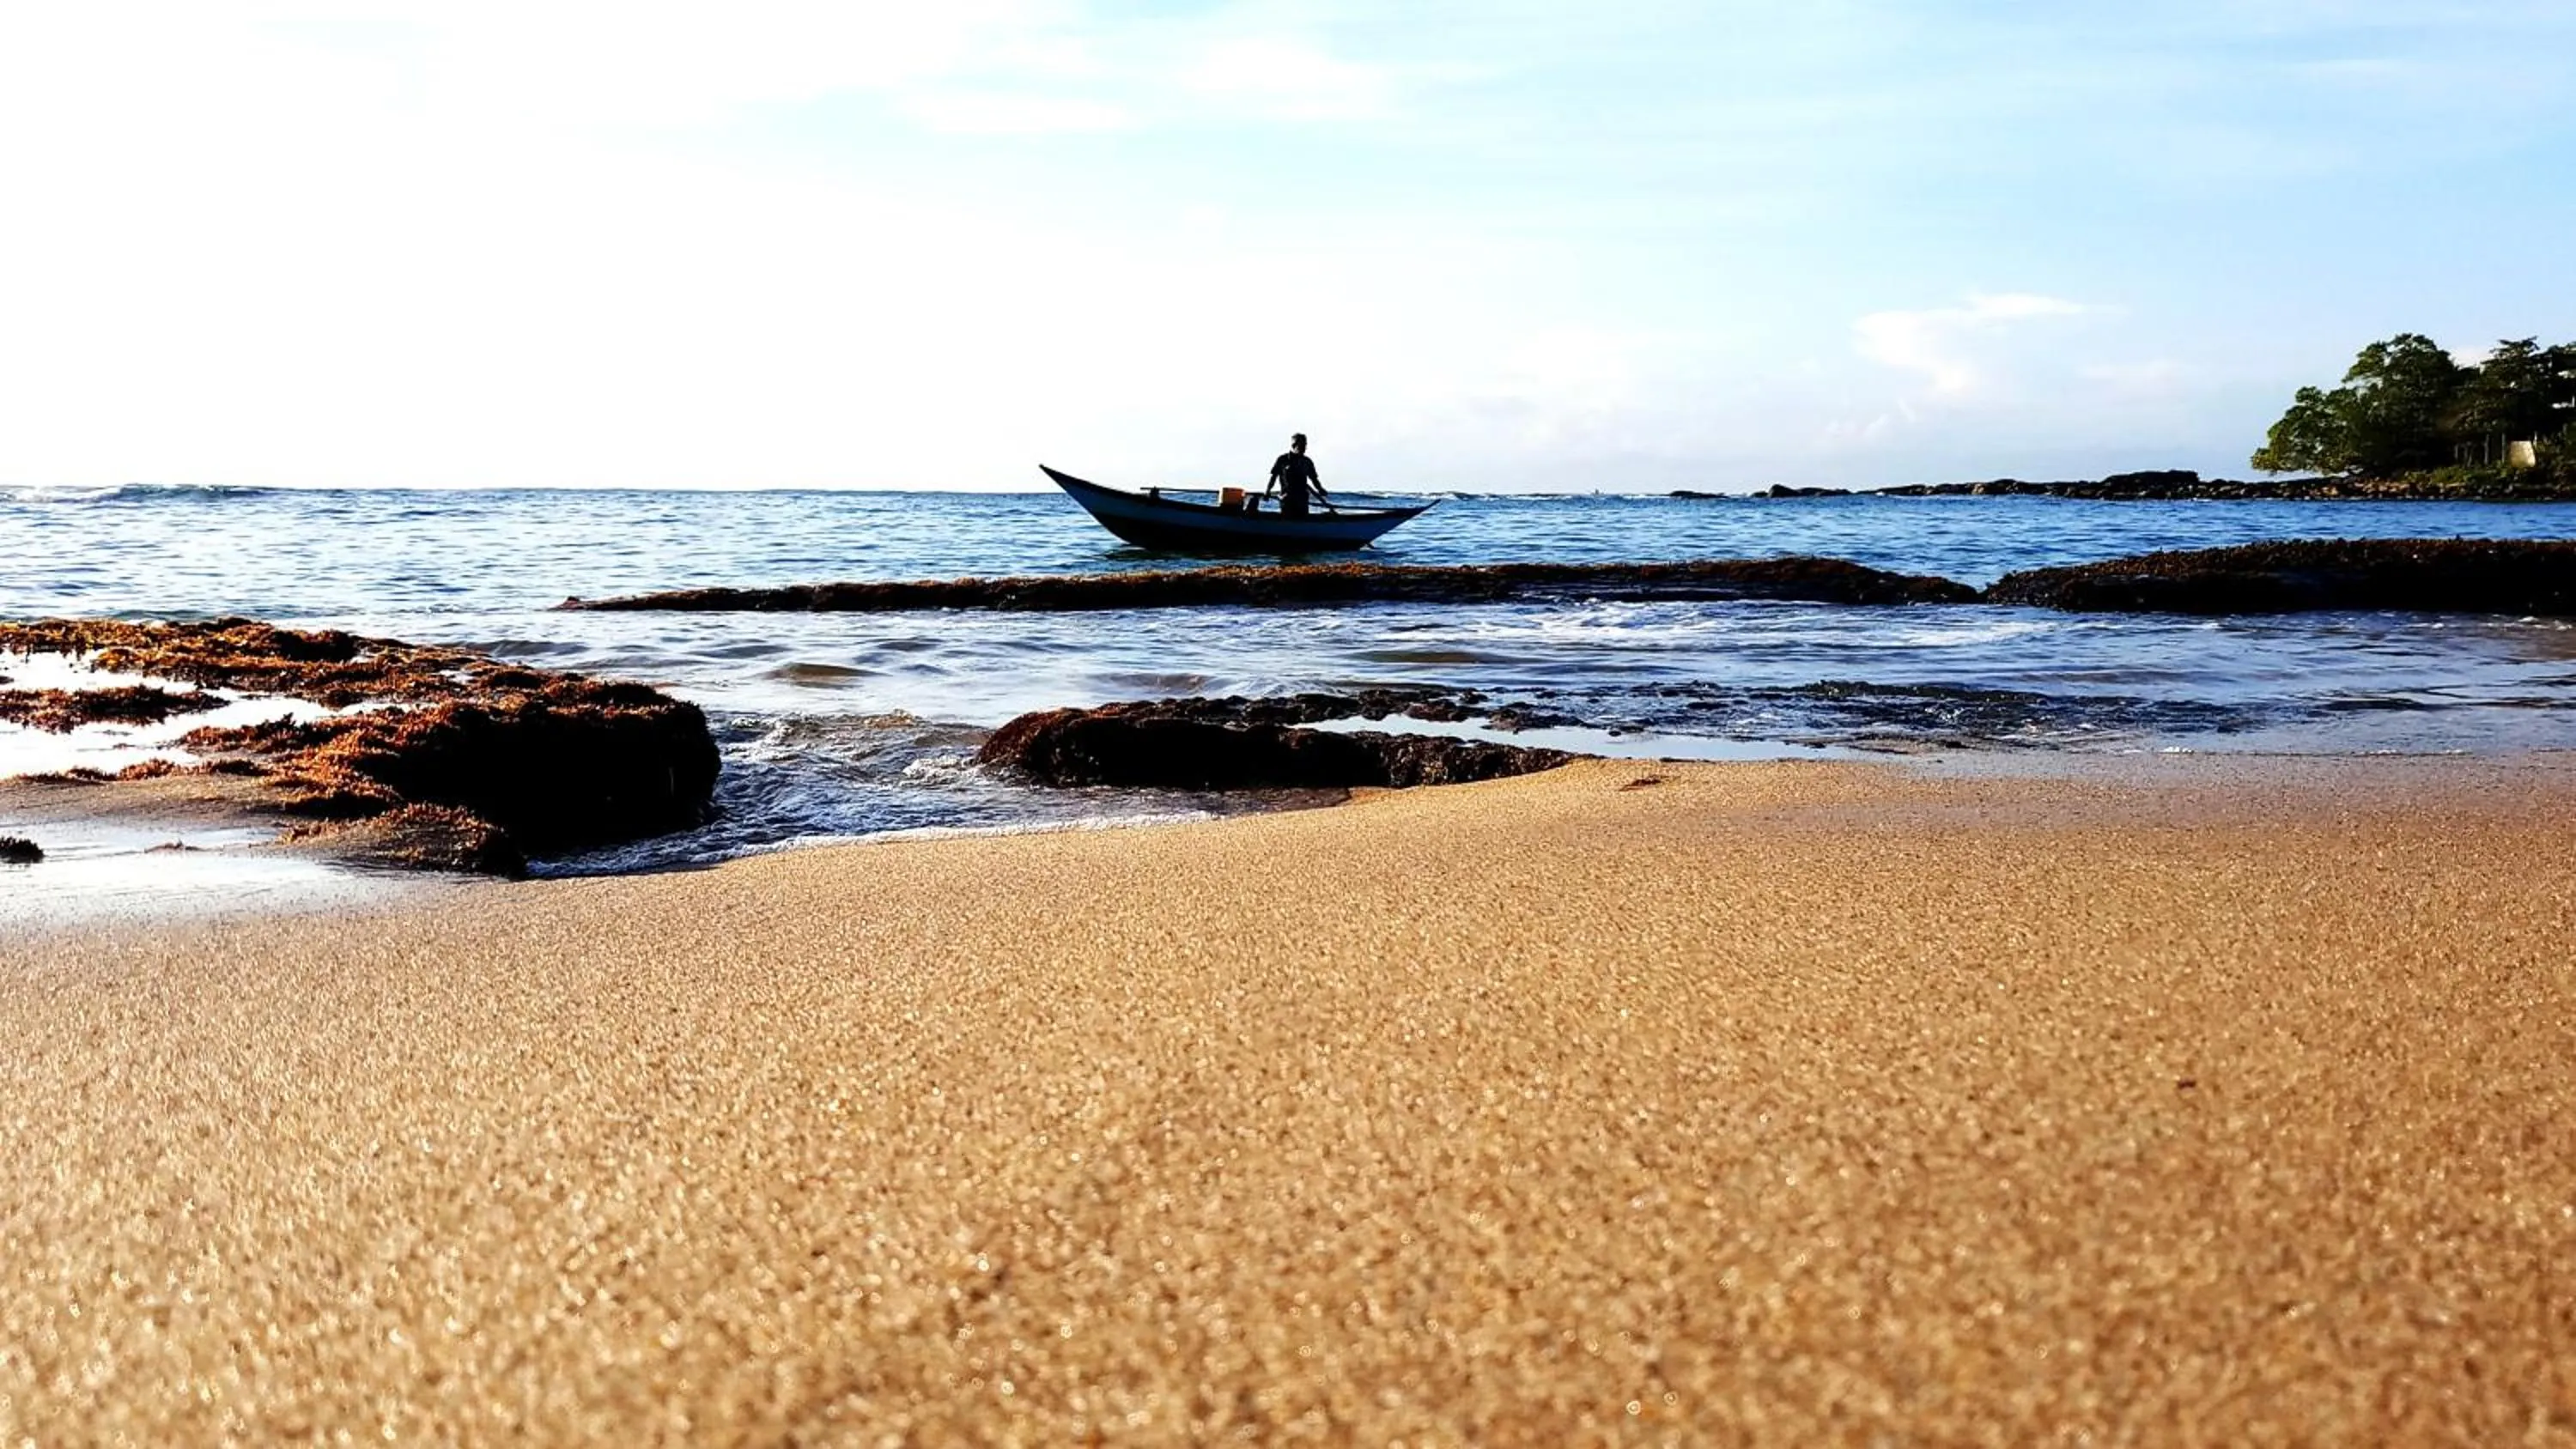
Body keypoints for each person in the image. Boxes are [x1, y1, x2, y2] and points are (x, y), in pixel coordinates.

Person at [1263, 433, 1330, 518]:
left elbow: (1314, 479)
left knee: (1303, 519)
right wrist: (1268, 491)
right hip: (1287, 499)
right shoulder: (1282, 460)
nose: (1304, 448)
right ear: (1294, 445)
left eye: (1305, 445)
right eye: (1302, 446)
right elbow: (1273, 477)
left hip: (1302, 499)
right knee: (1288, 520)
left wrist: (1320, 489)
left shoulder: (1307, 462)